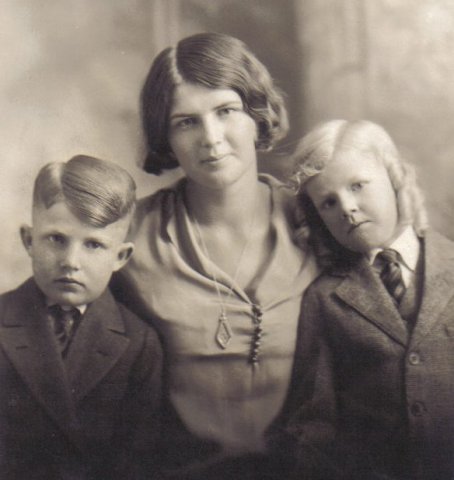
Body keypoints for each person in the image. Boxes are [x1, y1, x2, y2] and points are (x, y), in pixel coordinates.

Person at [111, 32, 317, 478]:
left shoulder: (316, 222)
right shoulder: (132, 236)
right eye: (186, 122)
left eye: (226, 112)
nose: (211, 138)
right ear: (165, 136)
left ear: (256, 116)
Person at [283, 119, 454, 479]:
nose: (347, 207)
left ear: (394, 180)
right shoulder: (326, 297)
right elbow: (315, 420)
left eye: (358, 186)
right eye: (328, 202)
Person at [0, 155, 163, 479]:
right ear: (29, 240)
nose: (71, 261)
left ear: (120, 256)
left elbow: (138, 459)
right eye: (57, 239)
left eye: (93, 245)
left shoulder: (139, 344)